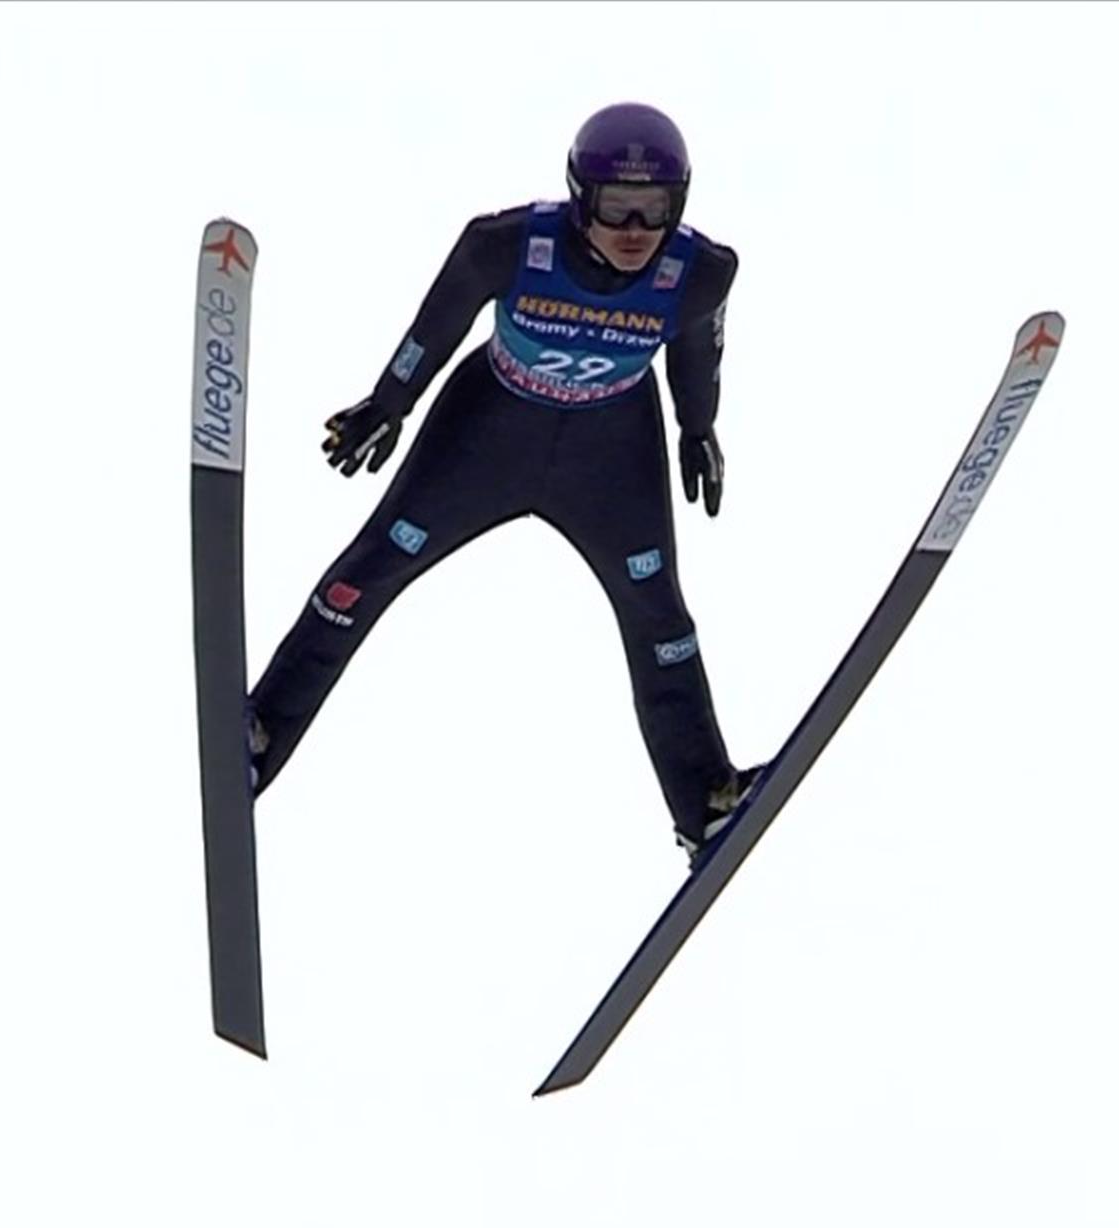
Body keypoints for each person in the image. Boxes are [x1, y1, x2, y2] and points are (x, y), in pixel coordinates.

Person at [244, 100, 764, 868]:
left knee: (658, 614)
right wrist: (388, 405)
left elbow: (696, 353)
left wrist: (698, 428)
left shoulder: (702, 271)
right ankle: (254, 735)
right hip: (489, 431)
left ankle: (706, 802)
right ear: (580, 198)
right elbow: (438, 323)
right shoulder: (510, 244)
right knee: (370, 568)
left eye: (653, 211)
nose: (633, 230)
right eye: (616, 207)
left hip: (609, 451)